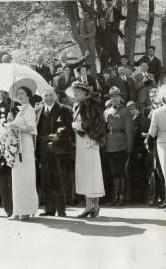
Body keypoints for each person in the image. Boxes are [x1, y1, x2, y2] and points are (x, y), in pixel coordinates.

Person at [65, 81, 105, 217]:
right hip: (82, 141)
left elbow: (97, 122)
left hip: (90, 140)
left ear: (85, 92)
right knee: (88, 173)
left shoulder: (91, 104)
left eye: (78, 91)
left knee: (91, 173)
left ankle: (92, 206)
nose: (75, 93)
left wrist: (80, 125)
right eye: (74, 90)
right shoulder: (78, 105)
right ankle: (93, 206)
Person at [35, 88, 73, 217]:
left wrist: (59, 134)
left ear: (55, 96)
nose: (48, 98)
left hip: (59, 150)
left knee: (59, 180)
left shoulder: (64, 109)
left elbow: (69, 127)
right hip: (43, 150)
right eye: (45, 95)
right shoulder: (38, 110)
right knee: (46, 180)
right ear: (42, 97)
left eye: (51, 95)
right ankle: (49, 209)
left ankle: (61, 210)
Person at [7, 86, 39, 220]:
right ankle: (17, 210)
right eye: (18, 94)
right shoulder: (20, 111)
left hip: (25, 145)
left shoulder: (30, 109)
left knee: (26, 177)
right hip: (17, 145)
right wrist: (10, 122)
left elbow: (32, 128)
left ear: (28, 96)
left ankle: (26, 210)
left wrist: (15, 126)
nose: (19, 96)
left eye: (22, 93)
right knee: (17, 177)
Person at [104, 86, 134, 206]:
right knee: (113, 172)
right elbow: (103, 129)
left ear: (120, 98)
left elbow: (130, 131)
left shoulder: (125, 111)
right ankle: (115, 196)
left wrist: (129, 146)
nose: (114, 98)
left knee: (121, 171)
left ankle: (122, 196)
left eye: (116, 96)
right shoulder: (106, 111)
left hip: (121, 144)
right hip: (109, 144)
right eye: (112, 97)